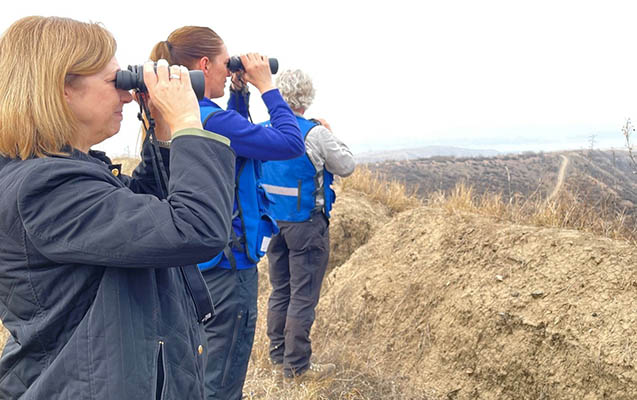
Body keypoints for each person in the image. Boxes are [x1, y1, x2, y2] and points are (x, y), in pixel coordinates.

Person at [0, 16, 236, 399]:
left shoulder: (69, 173)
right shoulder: (43, 189)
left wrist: (162, 131)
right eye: (117, 82)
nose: (129, 95)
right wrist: (188, 122)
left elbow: (145, 213)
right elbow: (194, 228)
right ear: (62, 88)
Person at [149, 27, 304, 399]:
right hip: (227, 268)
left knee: (194, 367)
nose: (227, 69)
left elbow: (233, 150)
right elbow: (290, 142)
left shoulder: (179, 115)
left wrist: (238, 92)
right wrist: (267, 86)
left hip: (193, 265)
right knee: (221, 377)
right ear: (204, 65)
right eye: (224, 63)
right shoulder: (212, 119)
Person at [260, 69, 356, 380]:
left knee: (280, 290)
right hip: (307, 225)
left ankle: (277, 355)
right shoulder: (313, 133)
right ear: (307, 96)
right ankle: (297, 367)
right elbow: (346, 166)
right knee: (303, 295)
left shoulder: (263, 130)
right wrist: (330, 131)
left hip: (272, 222)